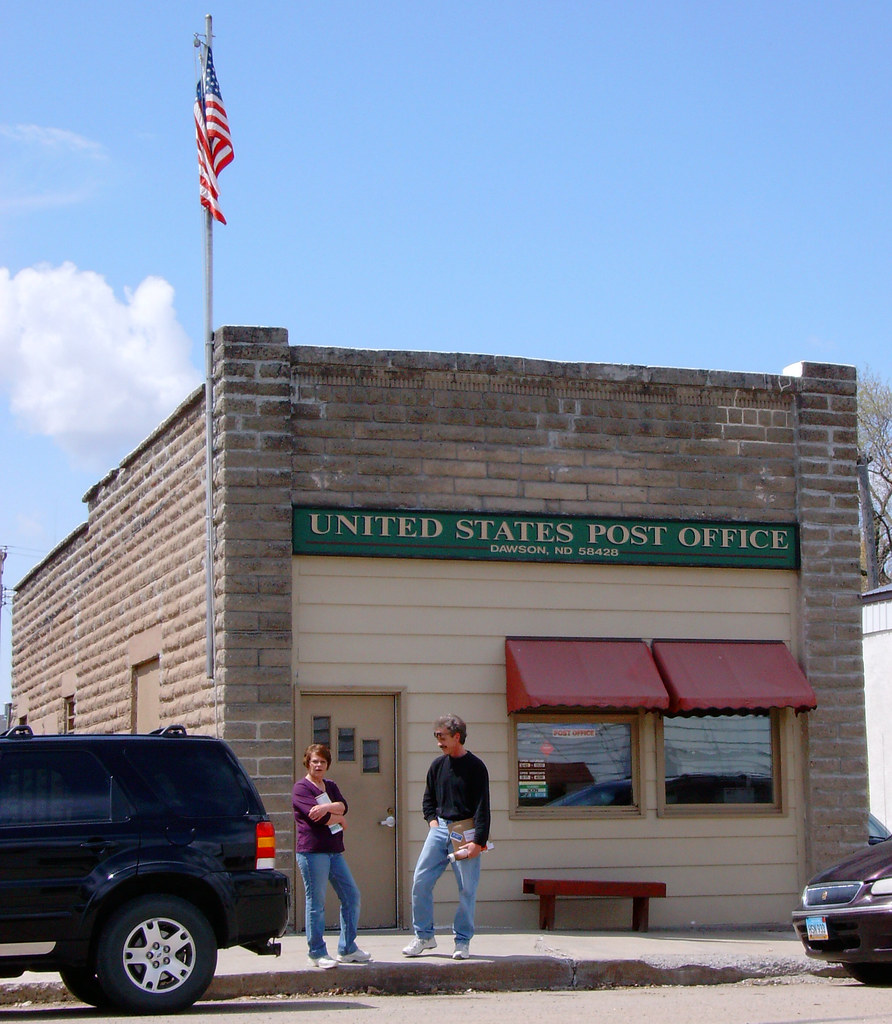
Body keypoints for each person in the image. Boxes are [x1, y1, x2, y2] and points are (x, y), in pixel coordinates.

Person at [402, 714, 491, 961]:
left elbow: (483, 807)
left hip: (465, 829)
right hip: (439, 828)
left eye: (442, 737)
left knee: (466, 889)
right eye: (437, 737)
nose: (439, 742)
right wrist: (432, 823)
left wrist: (478, 842)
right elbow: (428, 799)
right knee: (420, 880)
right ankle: (424, 935)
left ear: (457, 737)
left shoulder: (476, 767)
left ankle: (462, 941)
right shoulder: (437, 766)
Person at [292, 743, 371, 969]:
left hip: (334, 851)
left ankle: (347, 949)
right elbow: (317, 818)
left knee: (351, 896)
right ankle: (316, 952)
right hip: (312, 852)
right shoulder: (301, 789)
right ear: (307, 762)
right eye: (315, 761)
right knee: (316, 903)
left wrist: (331, 810)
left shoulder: (331, 785)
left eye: (323, 762)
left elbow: (343, 807)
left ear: (328, 765)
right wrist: (338, 817)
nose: (318, 765)